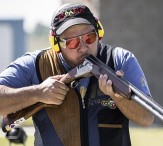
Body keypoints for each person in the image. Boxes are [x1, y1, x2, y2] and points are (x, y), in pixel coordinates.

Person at [0, 3, 154, 146]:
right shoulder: (35, 64)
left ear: (99, 33)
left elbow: (147, 118)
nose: (83, 47)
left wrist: (120, 98)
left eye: (89, 38)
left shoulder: (119, 60)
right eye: (72, 42)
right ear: (56, 44)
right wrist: (38, 93)